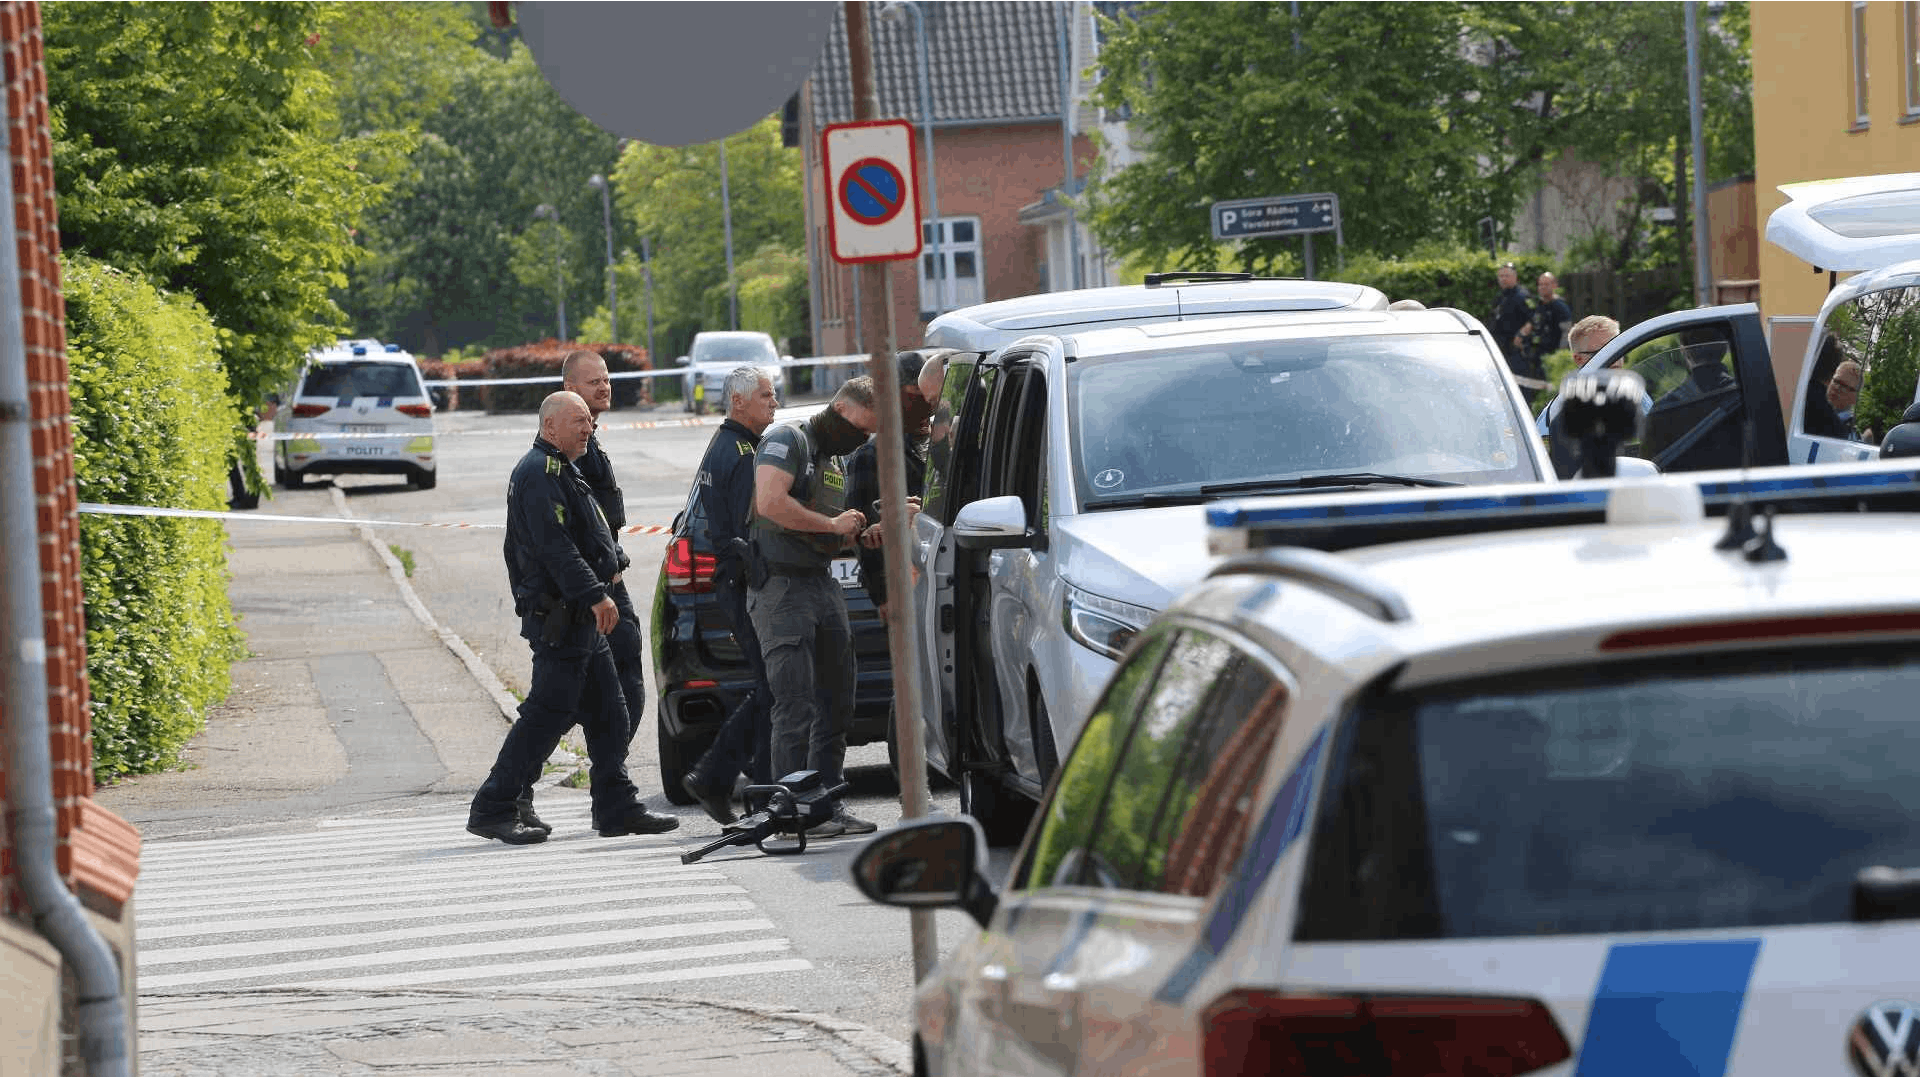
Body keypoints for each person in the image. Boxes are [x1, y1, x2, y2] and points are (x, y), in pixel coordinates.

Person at [467, 391, 680, 845]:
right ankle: (494, 805)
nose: (588, 428)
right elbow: (556, 548)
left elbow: (589, 536)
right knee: (547, 714)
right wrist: (596, 597)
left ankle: (615, 806)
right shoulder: (538, 474)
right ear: (550, 428)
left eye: (589, 421)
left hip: (581, 615)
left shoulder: (563, 468)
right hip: (562, 616)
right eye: (579, 421)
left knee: (609, 712)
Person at [510, 350, 647, 836]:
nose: (603, 389)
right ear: (566, 390)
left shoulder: (587, 446)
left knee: (617, 695)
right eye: (592, 383)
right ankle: (514, 795)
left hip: (605, 591)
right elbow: (557, 544)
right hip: (580, 601)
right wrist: (594, 592)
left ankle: (613, 795)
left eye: (607, 381)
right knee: (563, 702)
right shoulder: (556, 458)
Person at [748, 376, 882, 838]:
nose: (863, 439)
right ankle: (789, 811)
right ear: (841, 410)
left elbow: (825, 527)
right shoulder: (789, 439)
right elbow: (768, 503)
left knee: (837, 701)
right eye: (861, 429)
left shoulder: (835, 457)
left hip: (821, 583)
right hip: (782, 589)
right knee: (794, 705)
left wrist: (857, 532)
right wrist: (831, 525)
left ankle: (826, 804)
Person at [680, 366, 782, 825]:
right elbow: (758, 526)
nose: (774, 403)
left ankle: (728, 781)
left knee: (769, 689)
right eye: (766, 395)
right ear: (739, 402)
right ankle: (724, 780)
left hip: (732, 580)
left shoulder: (725, 444)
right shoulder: (742, 454)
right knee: (771, 689)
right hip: (746, 582)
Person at [844, 351, 940, 622]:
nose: (924, 406)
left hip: (940, 578)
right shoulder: (872, 455)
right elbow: (863, 532)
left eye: (927, 397)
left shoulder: (942, 445)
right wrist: (883, 594)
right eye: (913, 397)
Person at [1488, 262, 1536, 378]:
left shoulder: (1523, 296)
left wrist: (1521, 335)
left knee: (1519, 383)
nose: (1503, 279)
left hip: (1516, 350)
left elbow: (1534, 318)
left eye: (1507, 276)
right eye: (1501, 276)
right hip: (1500, 348)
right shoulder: (1500, 297)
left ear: (1515, 277)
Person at [1520, 272, 1573, 369]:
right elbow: (1534, 323)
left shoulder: (1560, 307)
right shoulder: (1540, 305)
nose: (1542, 287)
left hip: (1551, 359)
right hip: (1536, 357)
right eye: (1540, 284)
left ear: (1554, 286)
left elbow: (1567, 333)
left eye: (1546, 284)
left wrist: (1559, 356)